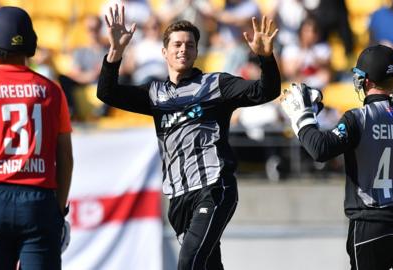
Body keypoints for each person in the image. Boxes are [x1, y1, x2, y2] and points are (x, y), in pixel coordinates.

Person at [97, 4, 281, 269]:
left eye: (190, 45)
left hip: (213, 188)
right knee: (207, 265)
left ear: (196, 51)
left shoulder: (216, 85)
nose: (183, 49)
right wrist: (115, 52)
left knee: (189, 262)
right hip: (178, 197)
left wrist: (266, 58)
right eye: (177, 45)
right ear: (164, 52)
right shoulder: (155, 94)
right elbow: (107, 93)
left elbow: (267, 91)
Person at [281, 44, 393, 269]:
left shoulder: (358, 118)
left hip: (370, 224)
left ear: (367, 82)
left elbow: (321, 149)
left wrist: (302, 116)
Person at [0, 6, 73, 270]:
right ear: (31, 43)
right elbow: (65, 157)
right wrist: (59, 211)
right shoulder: (53, 91)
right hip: (39, 201)